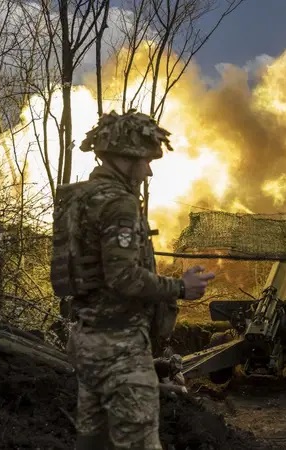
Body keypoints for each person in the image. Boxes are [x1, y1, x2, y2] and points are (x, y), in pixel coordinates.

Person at [62, 110, 215, 449]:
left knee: (93, 443)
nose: (148, 170)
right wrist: (180, 288)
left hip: (87, 342)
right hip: (121, 347)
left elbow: (95, 274)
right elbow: (123, 277)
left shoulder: (78, 200)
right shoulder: (119, 204)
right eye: (145, 160)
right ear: (125, 157)